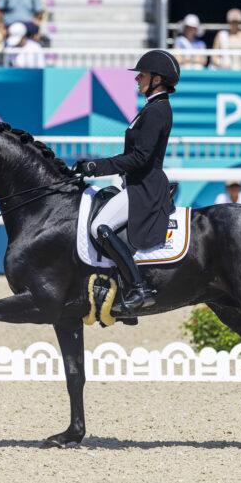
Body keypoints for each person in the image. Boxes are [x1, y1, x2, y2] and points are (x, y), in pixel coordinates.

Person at [73, 49, 179, 314]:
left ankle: (138, 288)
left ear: (157, 79)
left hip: (144, 186)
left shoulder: (156, 111)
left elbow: (140, 158)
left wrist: (98, 167)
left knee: (100, 226)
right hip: (137, 182)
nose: (137, 79)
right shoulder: (153, 107)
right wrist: (96, 165)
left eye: (141, 75)